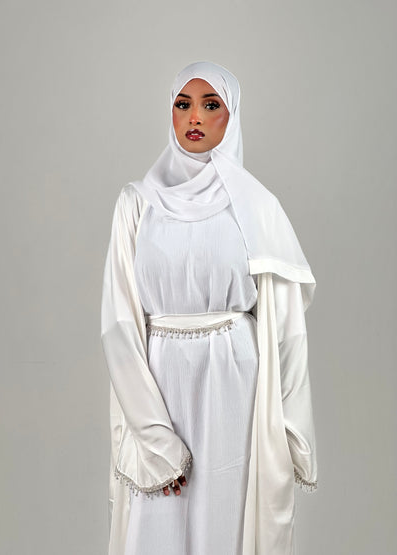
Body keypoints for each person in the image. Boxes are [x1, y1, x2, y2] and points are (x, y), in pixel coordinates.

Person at [101, 61, 318, 555]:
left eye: (210, 104)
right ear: (171, 114)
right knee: (158, 524)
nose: (194, 116)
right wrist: (155, 441)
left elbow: (288, 330)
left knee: (227, 517)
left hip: (234, 387)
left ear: (231, 116)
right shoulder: (137, 204)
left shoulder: (256, 207)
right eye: (183, 104)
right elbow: (119, 324)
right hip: (160, 383)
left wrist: (289, 432)